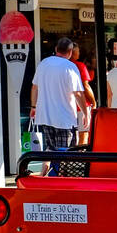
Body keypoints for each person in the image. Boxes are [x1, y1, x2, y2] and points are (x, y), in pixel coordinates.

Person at [31, 37, 88, 173]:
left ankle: (44, 175)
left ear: (56, 49)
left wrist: (33, 107)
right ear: (70, 52)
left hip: (45, 115)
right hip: (65, 118)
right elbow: (78, 94)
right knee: (65, 153)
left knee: (50, 148)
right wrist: (86, 113)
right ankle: (59, 178)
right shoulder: (70, 67)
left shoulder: (43, 64)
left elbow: (34, 88)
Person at [69, 41, 97, 145]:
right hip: (81, 105)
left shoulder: (60, 66)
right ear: (73, 52)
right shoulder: (80, 66)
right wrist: (93, 102)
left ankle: (68, 159)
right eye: (78, 51)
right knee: (83, 133)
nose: (79, 53)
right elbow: (86, 86)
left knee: (69, 134)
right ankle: (81, 158)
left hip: (66, 105)